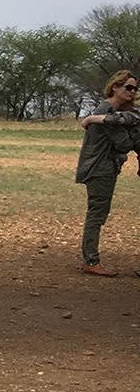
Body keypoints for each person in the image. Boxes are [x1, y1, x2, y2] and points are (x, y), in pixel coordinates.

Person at [77, 69, 140, 276]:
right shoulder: (107, 111)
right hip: (100, 168)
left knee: (98, 213)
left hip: (103, 167)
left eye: (135, 88)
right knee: (97, 214)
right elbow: (123, 144)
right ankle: (91, 261)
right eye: (128, 87)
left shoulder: (111, 112)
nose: (132, 91)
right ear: (115, 87)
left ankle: (91, 259)